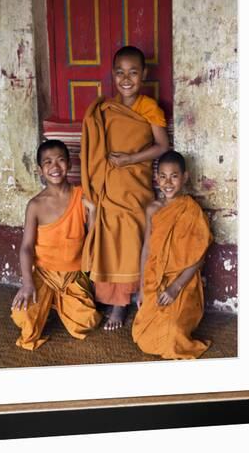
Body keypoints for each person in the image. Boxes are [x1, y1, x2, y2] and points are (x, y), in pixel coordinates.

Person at [81, 45, 170, 330]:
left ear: (144, 74)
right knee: (108, 241)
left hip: (135, 187)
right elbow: (96, 147)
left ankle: (120, 305)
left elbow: (162, 147)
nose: (126, 78)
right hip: (110, 186)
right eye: (120, 72)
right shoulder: (106, 109)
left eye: (133, 72)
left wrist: (130, 158)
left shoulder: (149, 108)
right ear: (113, 75)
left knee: (130, 240)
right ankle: (109, 298)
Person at [11, 139, 101, 350]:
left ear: (69, 164)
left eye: (60, 160)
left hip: (72, 274)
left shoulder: (81, 196)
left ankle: (56, 304)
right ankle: (48, 302)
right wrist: (27, 283)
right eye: (48, 162)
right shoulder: (35, 205)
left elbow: (94, 237)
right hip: (43, 274)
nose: (55, 167)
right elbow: (26, 247)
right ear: (40, 170)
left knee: (86, 322)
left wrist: (94, 211)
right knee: (21, 317)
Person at [132, 150, 212, 359]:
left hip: (183, 281)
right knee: (142, 337)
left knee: (174, 334)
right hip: (155, 277)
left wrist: (176, 288)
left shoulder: (192, 211)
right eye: (163, 177)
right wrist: (141, 289)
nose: (168, 183)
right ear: (157, 179)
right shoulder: (153, 209)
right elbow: (147, 248)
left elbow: (199, 256)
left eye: (174, 176)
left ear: (184, 177)